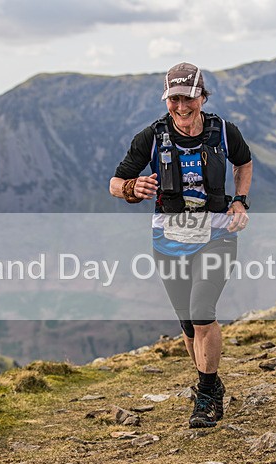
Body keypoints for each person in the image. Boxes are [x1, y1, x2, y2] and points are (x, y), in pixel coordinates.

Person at [110, 62, 253, 428]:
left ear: (202, 97)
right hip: (169, 241)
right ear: (167, 100)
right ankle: (211, 383)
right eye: (174, 98)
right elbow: (115, 181)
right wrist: (131, 188)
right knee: (189, 326)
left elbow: (244, 162)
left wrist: (240, 200)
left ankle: (205, 396)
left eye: (189, 97)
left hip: (218, 234)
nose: (182, 106)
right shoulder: (152, 137)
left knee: (202, 311)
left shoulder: (223, 131)